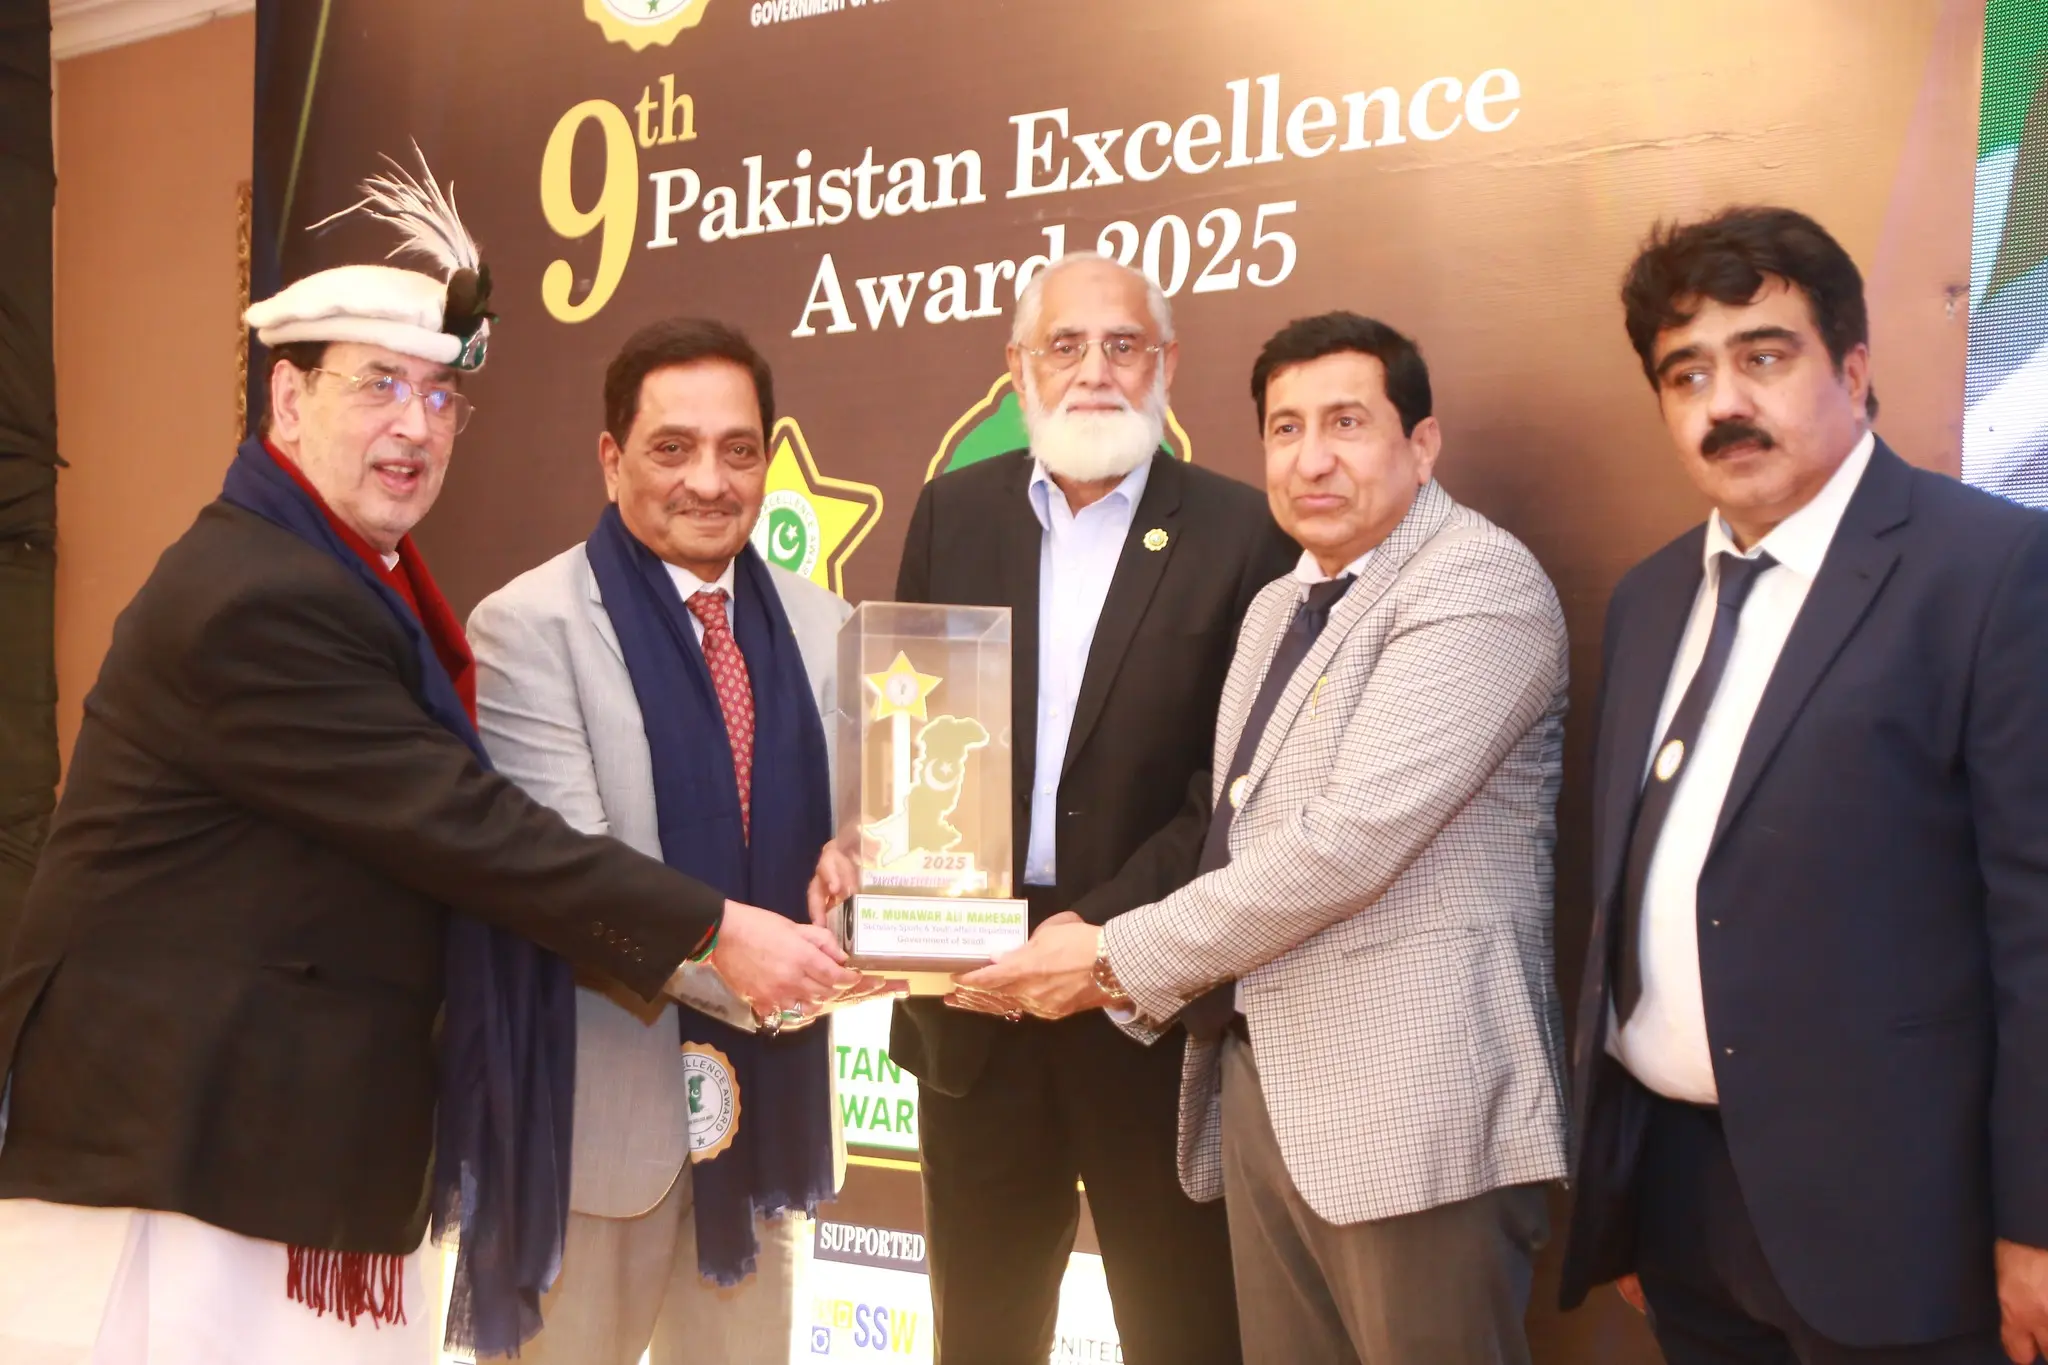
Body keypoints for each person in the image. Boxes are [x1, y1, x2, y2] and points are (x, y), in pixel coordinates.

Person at [0, 154, 850, 1365]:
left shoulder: (346, 574)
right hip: (184, 1141)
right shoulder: (258, 594)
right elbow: (467, 828)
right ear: (287, 400)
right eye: (379, 386)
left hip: (267, 1135)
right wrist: (718, 930)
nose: (415, 423)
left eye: (442, 394)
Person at [965, 311, 1571, 1365]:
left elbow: (1344, 846)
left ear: (1421, 443)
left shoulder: (1475, 583)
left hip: (1412, 1118)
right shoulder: (1280, 605)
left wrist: (1110, 956)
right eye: (1285, 429)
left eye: (1347, 423)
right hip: (1260, 1101)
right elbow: (1235, 832)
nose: (1311, 458)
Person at [1557, 206, 2048, 1365]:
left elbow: (2037, 928)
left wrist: (2034, 1222)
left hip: (1900, 1221)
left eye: (1763, 357)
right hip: (1674, 1197)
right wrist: (1623, 1186)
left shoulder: (1988, 570)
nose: (1722, 402)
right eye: (1685, 374)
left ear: (1853, 369)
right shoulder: (1647, 598)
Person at [818, 252, 1295, 1365]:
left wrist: (1096, 938)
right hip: (972, 1004)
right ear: (1018, 367)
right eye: (1064, 345)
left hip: (1144, 1004)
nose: (1094, 371)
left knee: (1186, 1335)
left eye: (1122, 345)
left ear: (1165, 363)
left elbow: (1231, 788)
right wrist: (873, 844)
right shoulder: (952, 511)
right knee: (981, 1339)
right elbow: (914, 724)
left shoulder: (1240, 531)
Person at [469, 317, 880, 1364]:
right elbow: (572, 881)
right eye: (672, 448)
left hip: (771, 1129)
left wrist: (855, 882)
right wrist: (750, 955)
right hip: (596, 1140)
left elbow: (859, 835)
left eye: (737, 449)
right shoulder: (527, 627)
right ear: (612, 460)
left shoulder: (826, 625)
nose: (709, 480)